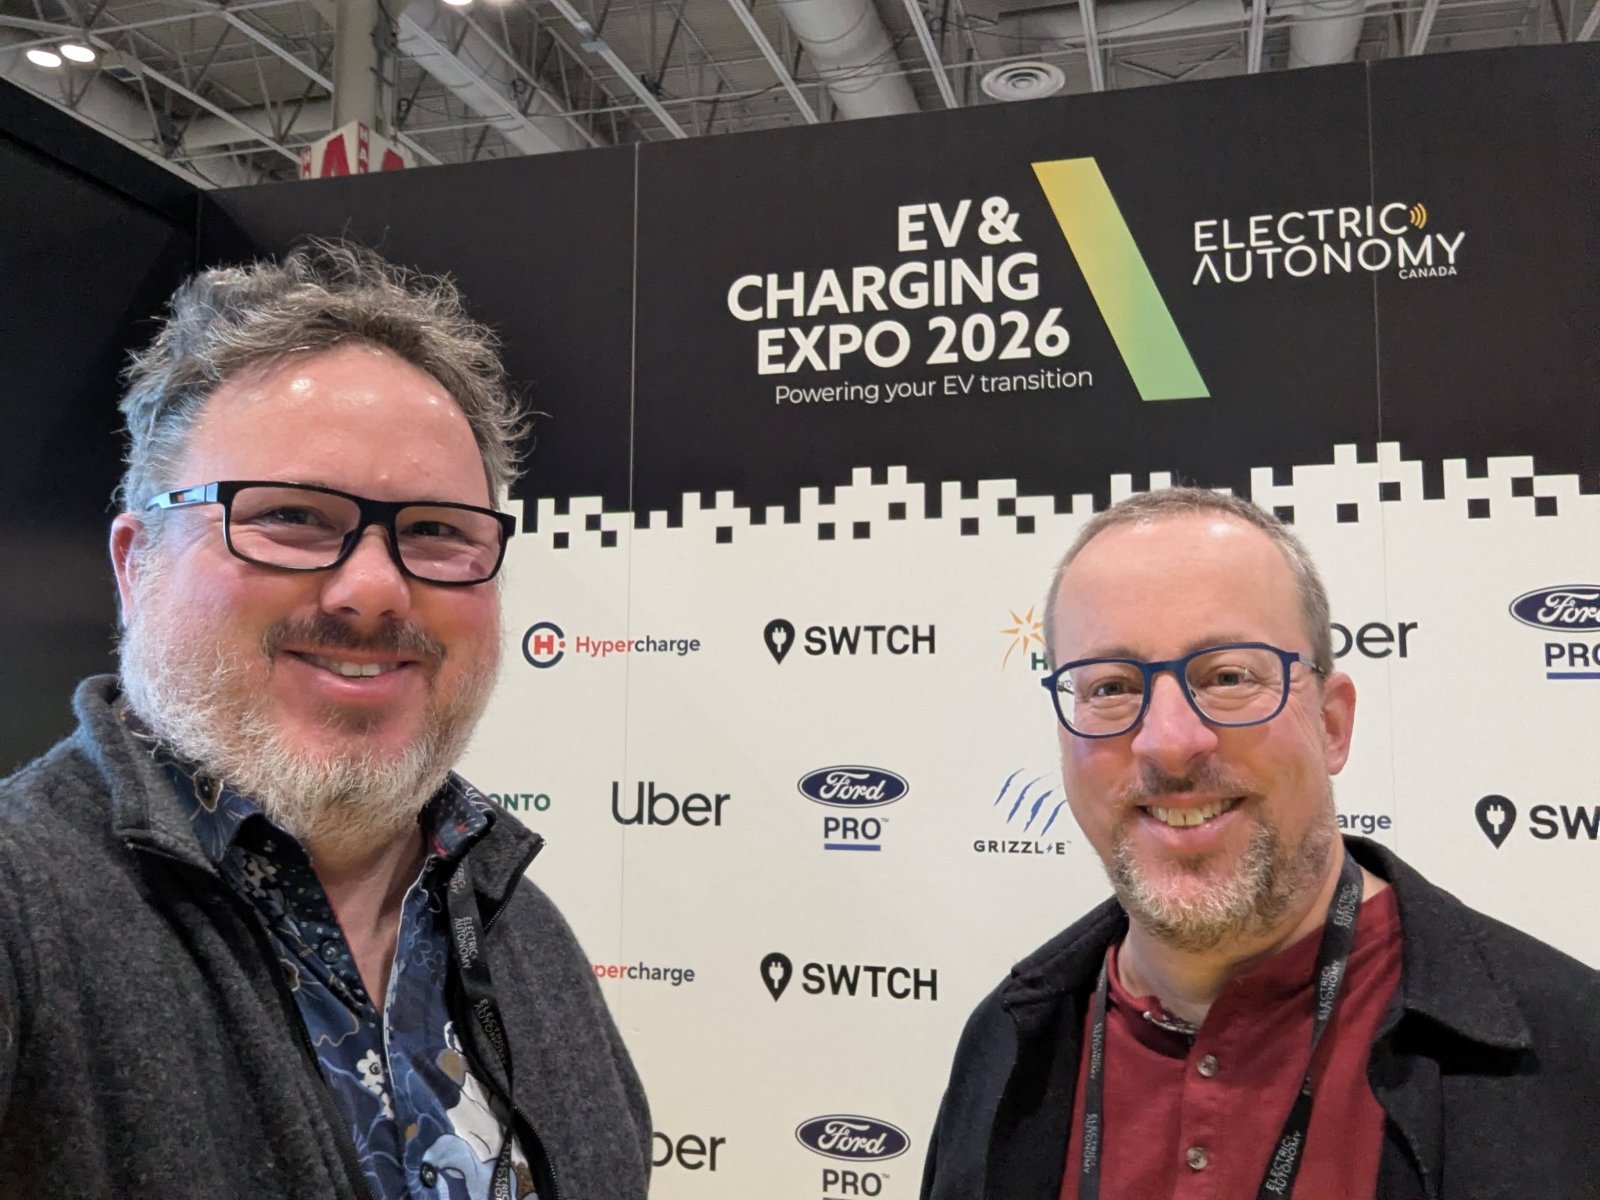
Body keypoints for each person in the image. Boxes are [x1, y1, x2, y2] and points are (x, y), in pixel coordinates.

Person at [0, 243, 650, 1197]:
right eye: (292, 517)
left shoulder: (522, 936)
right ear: (137, 564)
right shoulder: (21, 915)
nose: (373, 589)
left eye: (436, 531)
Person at [921, 488, 1600, 1200]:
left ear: (1331, 724)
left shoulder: (1571, 1055)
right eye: (1111, 687)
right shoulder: (1004, 1045)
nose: (1170, 742)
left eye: (1228, 676)